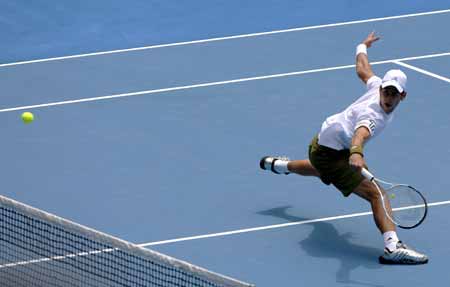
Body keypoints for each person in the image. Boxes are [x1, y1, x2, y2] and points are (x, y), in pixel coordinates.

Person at [260, 32, 428, 264]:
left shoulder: (375, 84)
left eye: (393, 93)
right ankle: (392, 247)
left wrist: (362, 45)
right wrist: (356, 153)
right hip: (333, 153)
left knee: (321, 169)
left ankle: (279, 165)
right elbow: (360, 133)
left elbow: (362, 68)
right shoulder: (375, 116)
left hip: (319, 145)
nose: (388, 97)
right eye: (386, 92)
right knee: (377, 194)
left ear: (403, 95)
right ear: (382, 90)